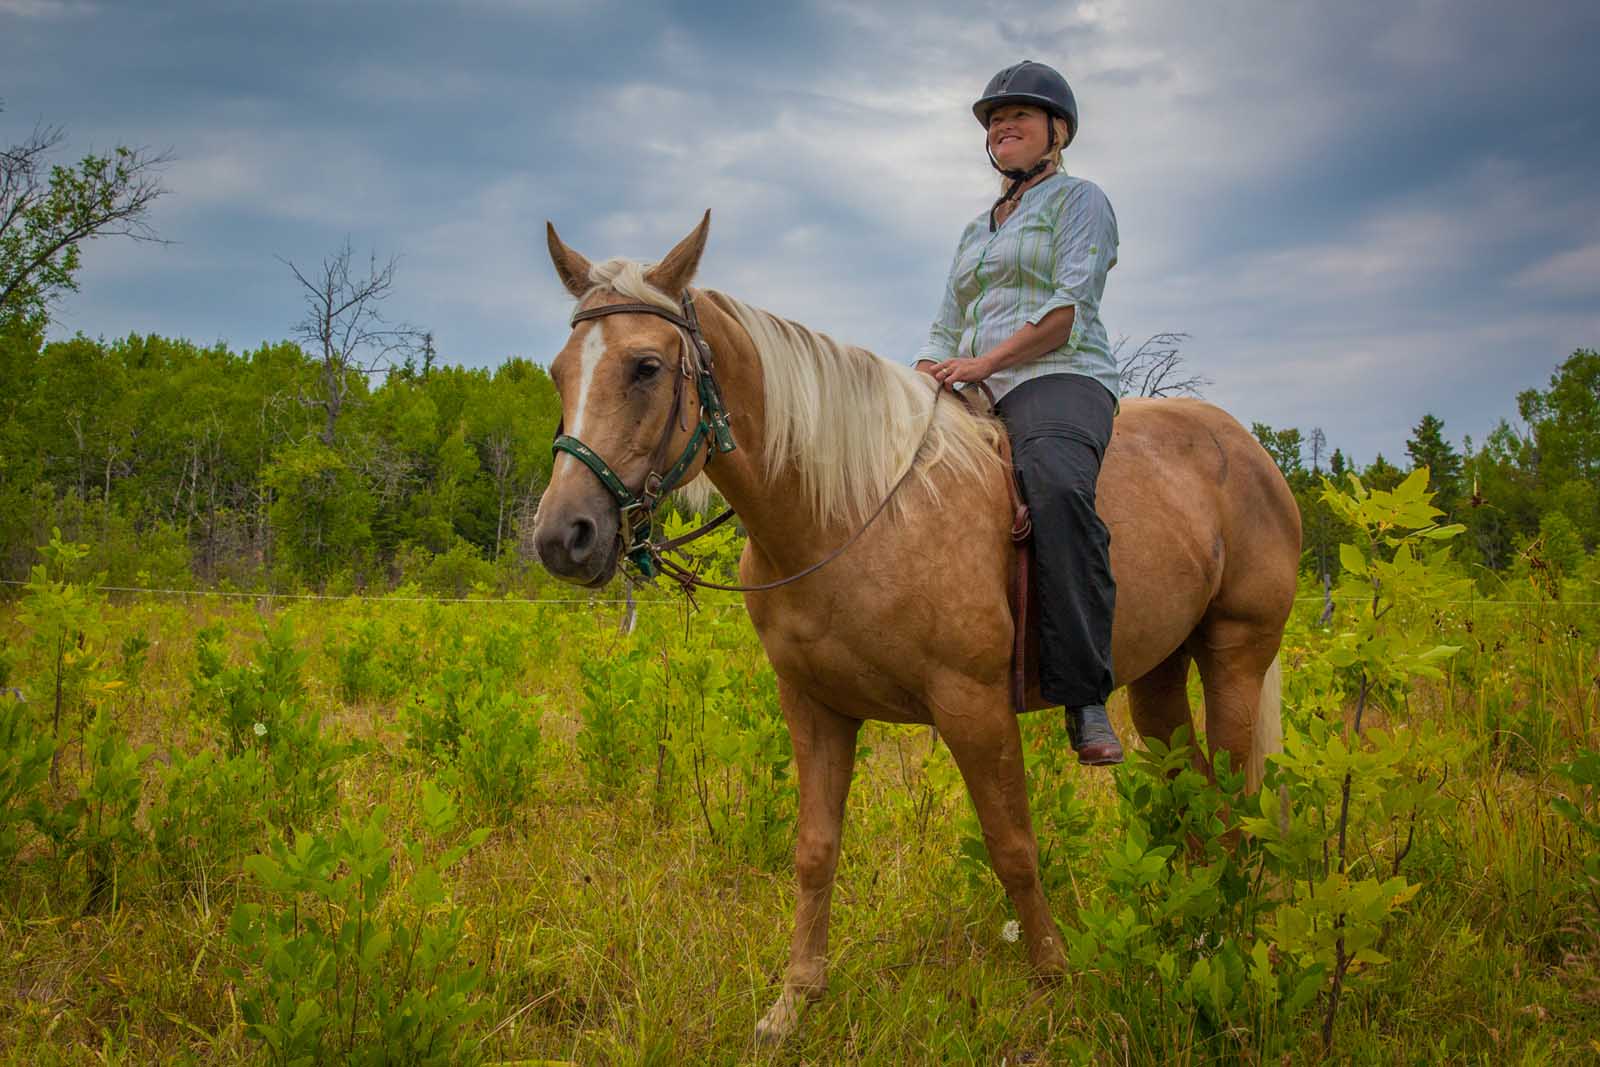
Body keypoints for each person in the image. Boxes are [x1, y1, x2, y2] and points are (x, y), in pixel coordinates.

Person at [913, 59, 1124, 765]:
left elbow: (1063, 314)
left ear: (1057, 133)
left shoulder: (1080, 202)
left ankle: (1084, 693)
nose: (1002, 125)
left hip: (1057, 374)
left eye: (1019, 116)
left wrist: (980, 364)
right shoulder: (976, 229)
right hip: (974, 385)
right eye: (994, 119)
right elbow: (944, 328)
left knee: (1057, 485)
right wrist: (920, 382)